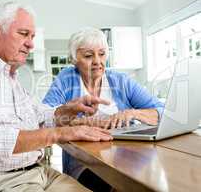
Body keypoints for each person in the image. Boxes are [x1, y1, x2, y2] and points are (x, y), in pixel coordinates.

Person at [0, 2, 113, 192]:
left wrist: (65, 110)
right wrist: (61, 133)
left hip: (36, 173)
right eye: (24, 34)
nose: (31, 43)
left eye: (32, 36)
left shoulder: (9, 78)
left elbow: (39, 116)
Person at [43, 27, 164, 191]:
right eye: (88, 56)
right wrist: (81, 122)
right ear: (74, 59)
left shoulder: (121, 81)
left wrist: (132, 113)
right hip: (85, 164)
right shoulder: (66, 78)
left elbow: (162, 110)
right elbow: (45, 115)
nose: (97, 61)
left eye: (102, 54)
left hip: (127, 156)